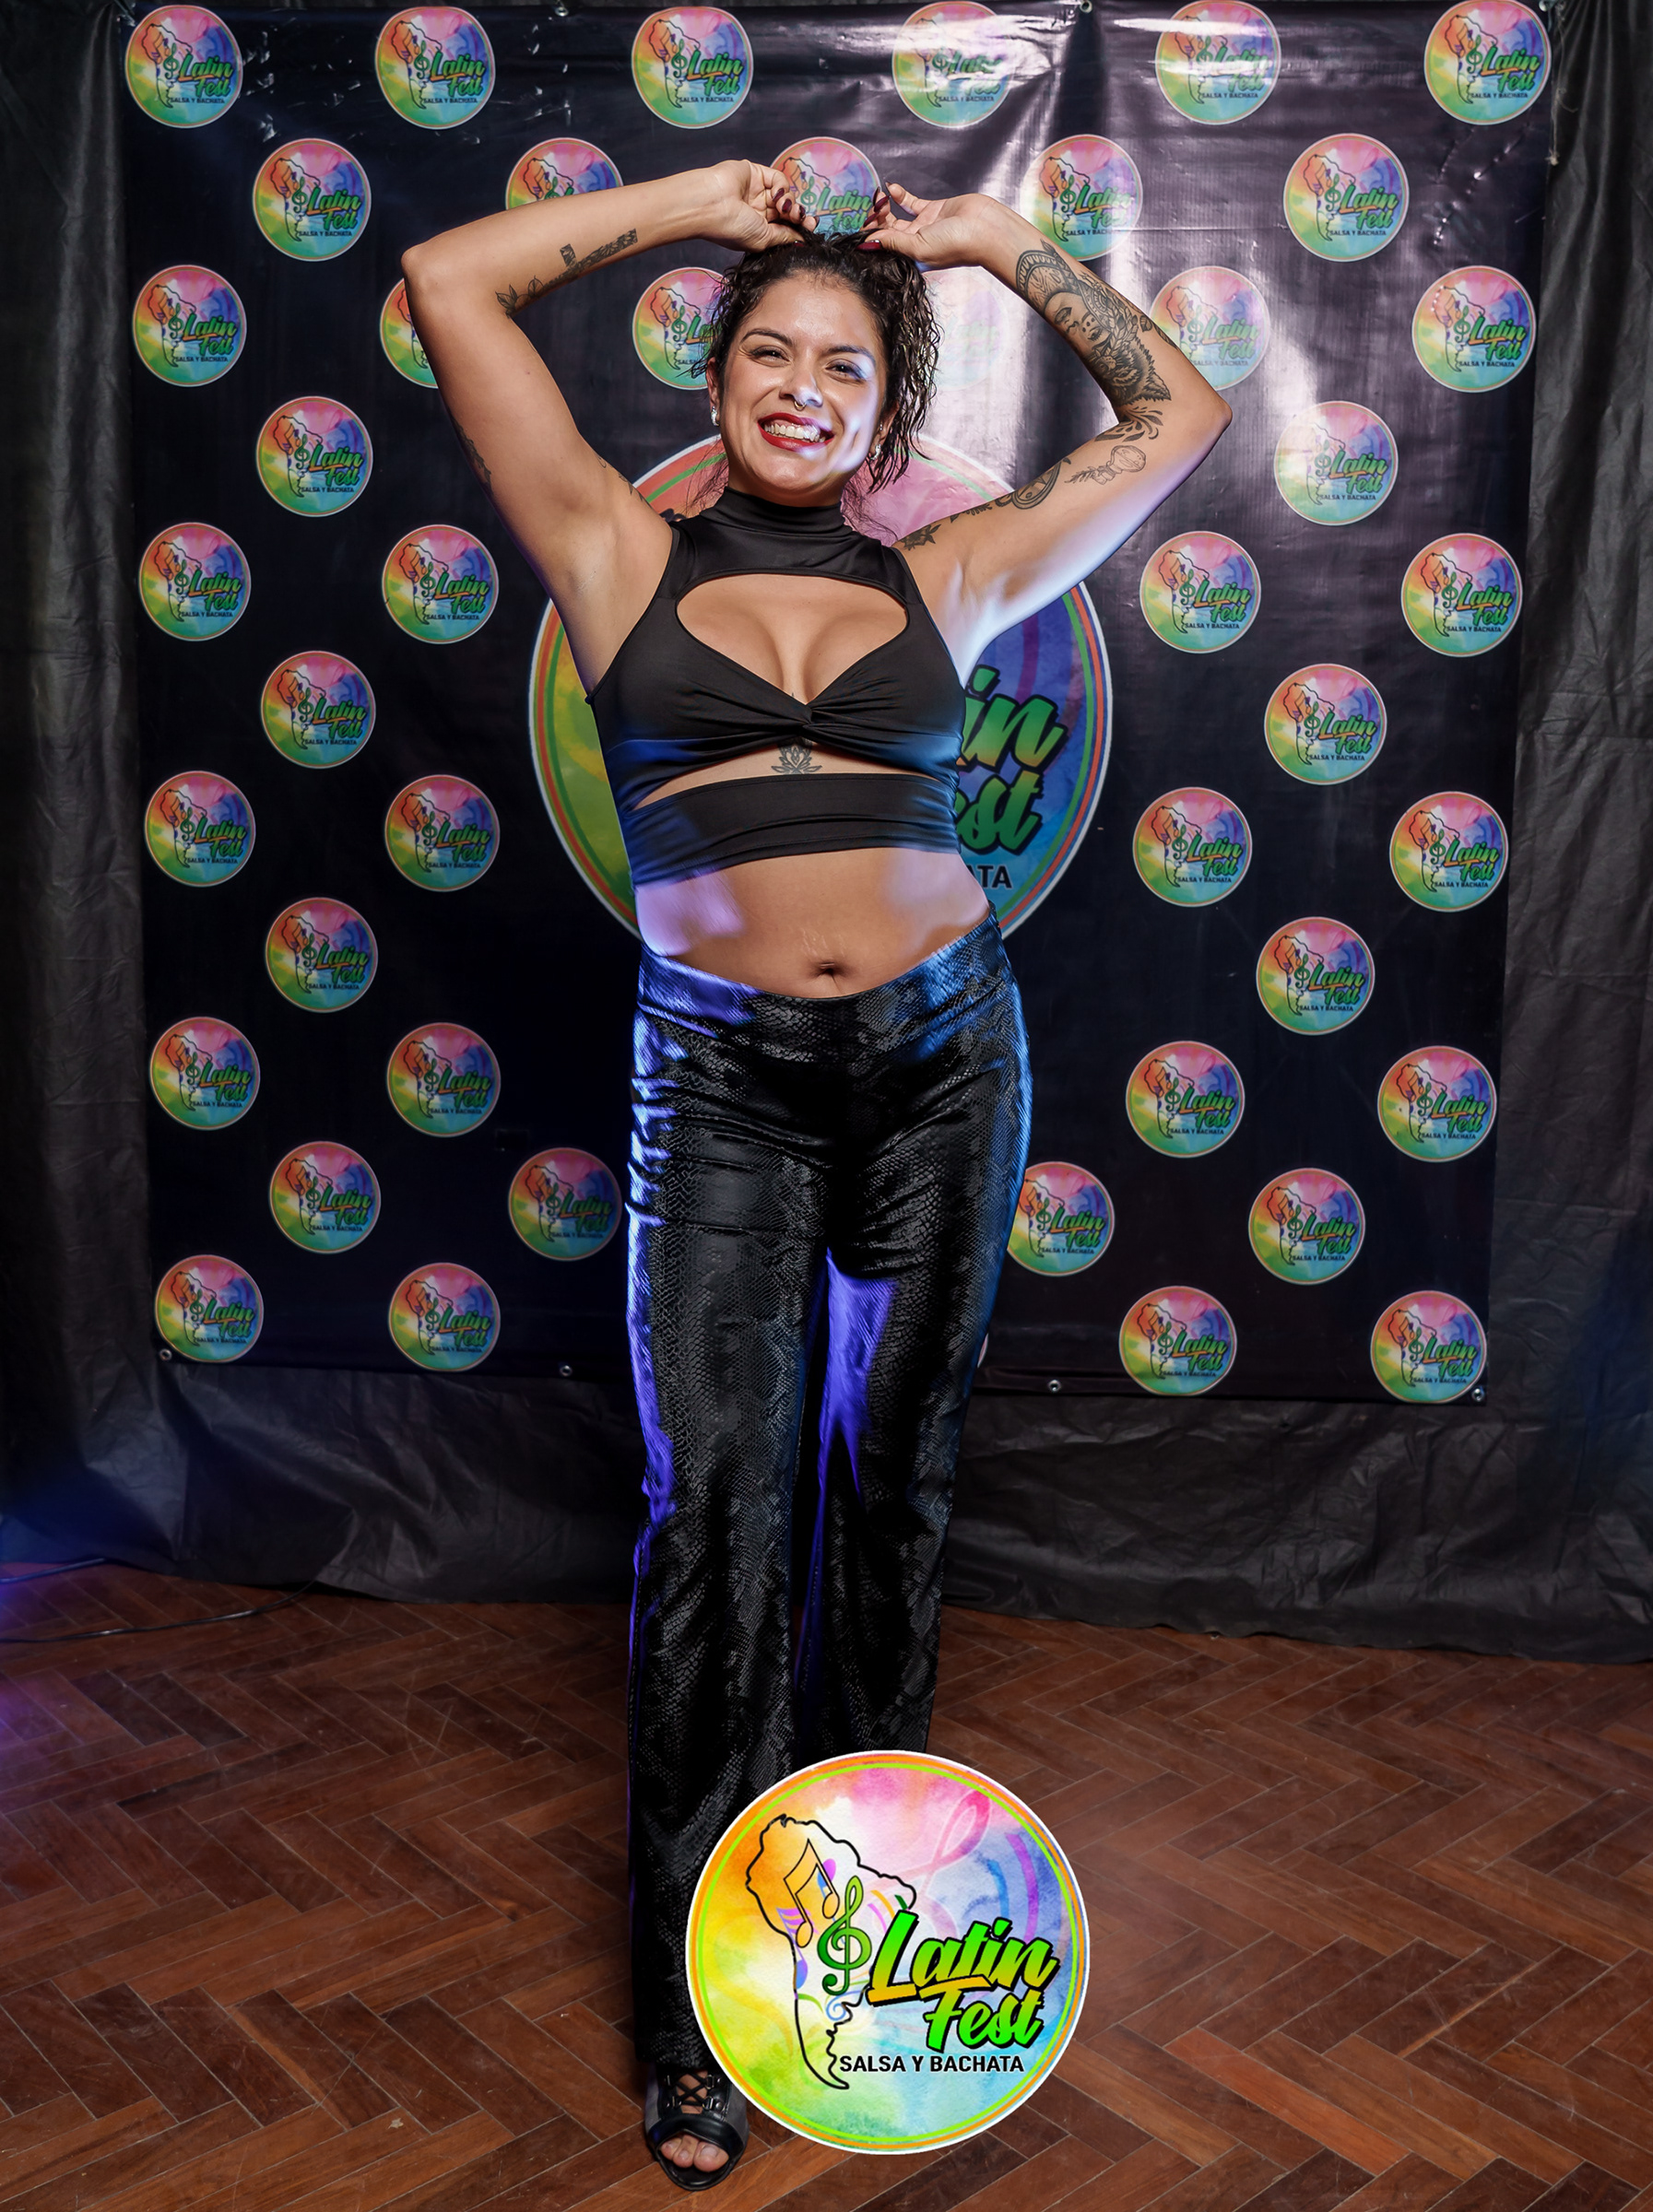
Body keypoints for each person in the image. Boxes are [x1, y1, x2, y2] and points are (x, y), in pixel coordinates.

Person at [401, 159, 1229, 2188]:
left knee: (892, 1498)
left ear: (884, 408)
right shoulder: (612, 548)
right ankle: (696, 2013)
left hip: (947, 1060)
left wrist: (992, 246)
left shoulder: (950, 576)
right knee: (715, 1524)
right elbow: (445, 278)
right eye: (766, 352)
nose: (798, 387)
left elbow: (1180, 414)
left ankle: (857, 1961)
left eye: (842, 366)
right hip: (720, 1083)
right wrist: (705, 198)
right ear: (718, 379)